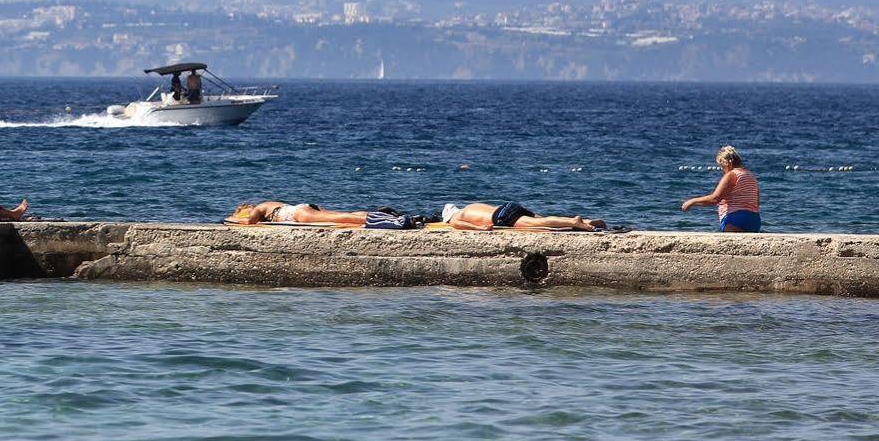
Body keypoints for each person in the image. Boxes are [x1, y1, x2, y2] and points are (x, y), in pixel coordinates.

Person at [681, 145, 762, 232]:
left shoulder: (731, 174)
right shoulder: (751, 175)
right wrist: (695, 204)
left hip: (735, 220)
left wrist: (692, 201)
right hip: (754, 220)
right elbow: (756, 202)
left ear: (727, 163)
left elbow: (715, 199)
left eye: (722, 166)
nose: (722, 170)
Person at [226, 201, 415, 228]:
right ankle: (387, 217)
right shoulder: (269, 204)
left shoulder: (259, 208)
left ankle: (395, 221)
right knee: (342, 215)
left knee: (344, 218)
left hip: (296, 214)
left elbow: (248, 223)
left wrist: (234, 219)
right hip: (301, 207)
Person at [441, 202, 606, 232]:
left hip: (500, 216)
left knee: (541, 224)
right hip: (507, 207)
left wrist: (480, 228)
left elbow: (457, 225)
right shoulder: (470, 206)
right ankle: (586, 222)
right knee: (545, 220)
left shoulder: (456, 216)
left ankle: (574, 222)